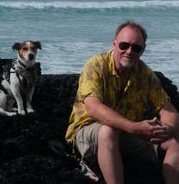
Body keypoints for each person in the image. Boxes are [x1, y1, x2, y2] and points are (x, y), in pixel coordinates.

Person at [65, 20, 179, 184]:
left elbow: (169, 110)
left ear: (143, 50)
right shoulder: (96, 65)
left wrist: (167, 129)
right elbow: (93, 107)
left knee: (173, 143)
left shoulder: (145, 74)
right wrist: (134, 127)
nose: (129, 51)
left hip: (127, 134)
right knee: (107, 131)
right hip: (87, 131)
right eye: (124, 45)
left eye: (136, 47)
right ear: (114, 43)